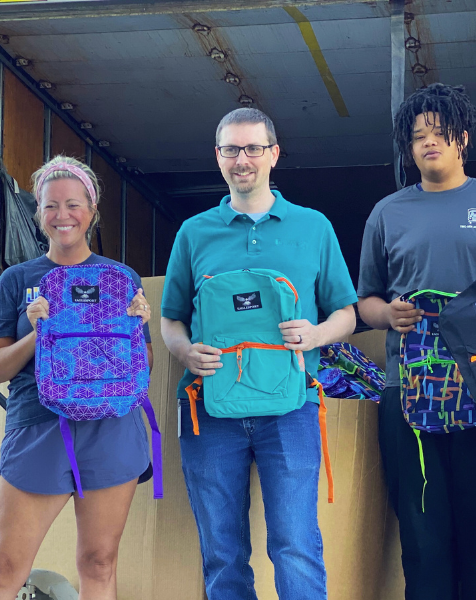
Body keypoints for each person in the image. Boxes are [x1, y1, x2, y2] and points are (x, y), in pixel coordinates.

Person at [161, 107, 356, 600]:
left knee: (294, 544)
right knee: (222, 551)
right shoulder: (193, 231)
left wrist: (315, 335)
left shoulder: (314, 227)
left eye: (252, 148)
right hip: (209, 409)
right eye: (231, 149)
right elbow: (170, 318)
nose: (241, 159)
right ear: (218, 157)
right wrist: (185, 353)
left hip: (291, 409)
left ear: (273, 154)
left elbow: (347, 314)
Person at [357, 83, 476, 600]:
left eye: (439, 134)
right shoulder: (387, 212)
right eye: (418, 136)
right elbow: (366, 302)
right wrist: (390, 314)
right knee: (422, 524)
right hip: (410, 388)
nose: (429, 143)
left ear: (463, 140)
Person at [0, 155, 153, 600]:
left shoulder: (121, 278)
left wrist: (133, 329)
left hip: (111, 427)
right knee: (8, 564)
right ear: (38, 212)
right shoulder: (17, 279)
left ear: (92, 210)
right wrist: (37, 334)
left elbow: (141, 366)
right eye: (50, 206)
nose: (62, 215)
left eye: (73, 204)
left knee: (99, 561)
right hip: (38, 426)